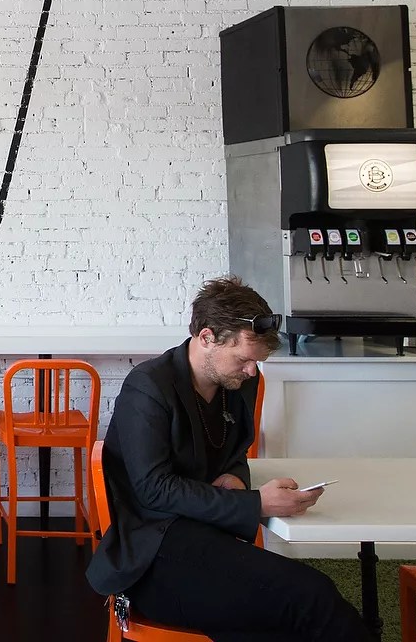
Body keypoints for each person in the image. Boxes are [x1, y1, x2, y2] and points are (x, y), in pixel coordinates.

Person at [86, 275, 370, 642]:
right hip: (151, 554)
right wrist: (256, 503)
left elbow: (237, 450)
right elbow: (154, 489)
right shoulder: (148, 386)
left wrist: (236, 477)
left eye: (257, 361)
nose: (252, 371)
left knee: (296, 614)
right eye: (244, 359)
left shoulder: (239, 382)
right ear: (206, 337)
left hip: (205, 535)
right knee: (313, 597)